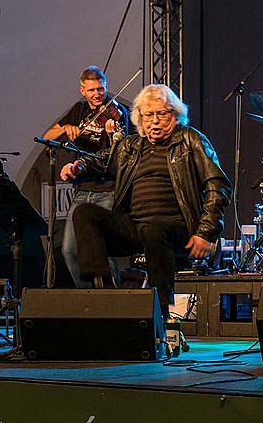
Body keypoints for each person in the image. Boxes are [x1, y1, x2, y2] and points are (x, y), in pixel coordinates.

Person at [61, 84, 231, 316]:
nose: (155, 121)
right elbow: (100, 162)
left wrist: (205, 233)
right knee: (84, 212)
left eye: (162, 114)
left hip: (179, 229)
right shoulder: (129, 147)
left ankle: (161, 313)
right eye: (149, 115)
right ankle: (103, 291)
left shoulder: (191, 140)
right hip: (136, 227)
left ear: (175, 115)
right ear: (139, 119)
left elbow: (217, 185)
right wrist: (78, 166)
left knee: (155, 229)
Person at [42, 66, 129, 288]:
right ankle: (88, 298)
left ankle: (114, 303)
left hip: (107, 189)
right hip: (82, 190)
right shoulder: (78, 111)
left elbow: (119, 154)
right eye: (91, 90)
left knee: (103, 249)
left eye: (101, 89)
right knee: (69, 249)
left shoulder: (117, 112)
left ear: (106, 86)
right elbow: (47, 136)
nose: (97, 94)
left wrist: (112, 135)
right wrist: (67, 128)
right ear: (82, 90)